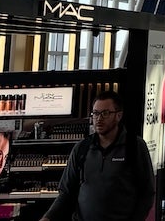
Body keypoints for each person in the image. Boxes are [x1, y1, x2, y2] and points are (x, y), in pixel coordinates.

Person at [44, 90, 154, 221]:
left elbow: (147, 193)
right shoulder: (82, 148)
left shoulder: (134, 147)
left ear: (118, 115)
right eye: (95, 113)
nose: (99, 119)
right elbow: (66, 193)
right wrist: (48, 217)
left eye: (105, 113)